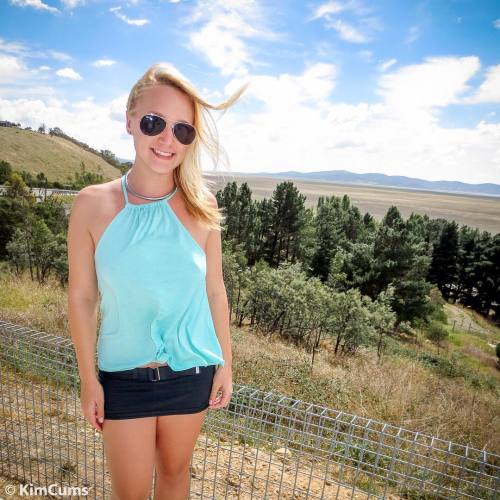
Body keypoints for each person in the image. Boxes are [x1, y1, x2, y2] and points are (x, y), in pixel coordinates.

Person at [67, 63, 247, 500]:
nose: (168, 140)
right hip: (121, 377)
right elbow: (82, 297)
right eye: (154, 123)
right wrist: (88, 379)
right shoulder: (92, 204)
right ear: (129, 119)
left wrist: (225, 362)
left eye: (183, 130)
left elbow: (215, 291)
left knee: (174, 478)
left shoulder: (202, 205)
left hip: (192, 372)